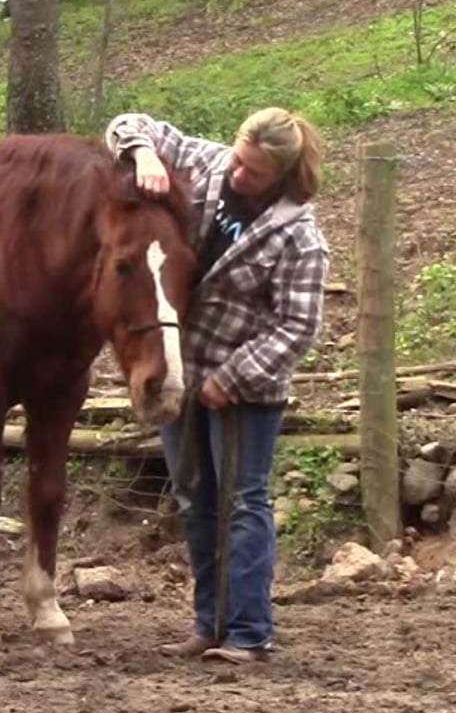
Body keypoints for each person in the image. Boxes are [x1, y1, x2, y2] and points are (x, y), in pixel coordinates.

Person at [104, 107, 329, 665]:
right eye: (239, 161)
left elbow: (297, 326)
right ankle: (208, 623)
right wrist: (142, 153)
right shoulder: (208, 164)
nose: (238, 175)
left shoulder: (298, 236)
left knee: (244, 501)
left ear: (281, 175)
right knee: (193, 498)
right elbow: (130, 122)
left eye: (254, 172)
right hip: (183, 372)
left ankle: (249, 631)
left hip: (246, 391)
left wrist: (234, 377)